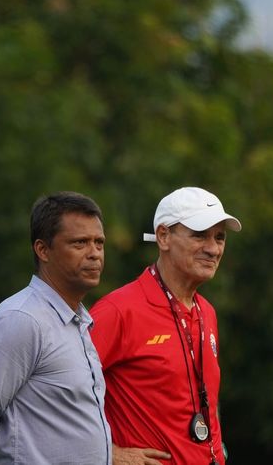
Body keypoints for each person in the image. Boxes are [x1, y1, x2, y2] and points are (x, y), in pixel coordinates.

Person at [0, 191, 112, 464]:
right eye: (80, 243)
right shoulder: (22, 319)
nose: (94, 254)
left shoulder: (77, 320)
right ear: (43, 250)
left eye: (99, 243)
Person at [89, 187, 241, 465]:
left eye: (219, 237)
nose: (213, 248)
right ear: (163, 236)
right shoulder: (118, 311)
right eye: (199, 235)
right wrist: (106, 453)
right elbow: (58, 394)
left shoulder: (206, 312)